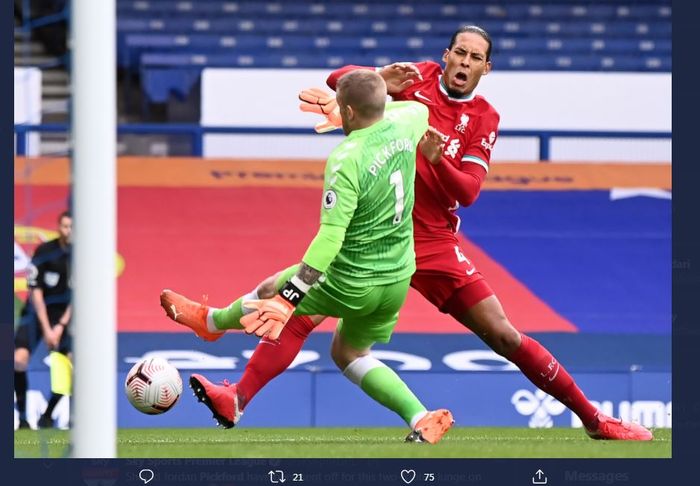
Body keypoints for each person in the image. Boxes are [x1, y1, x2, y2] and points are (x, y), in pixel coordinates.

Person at [168, 26, 653, 441]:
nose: (464, 62)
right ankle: (225, 361)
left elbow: (468, 192)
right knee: (300, 312)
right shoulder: (415, 80)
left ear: (487, 68)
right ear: (445, 56)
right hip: (377, 236)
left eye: (475, 58)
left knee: (502, 334)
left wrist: (439, 162)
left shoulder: (483, 117)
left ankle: (593, 419)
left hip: (434, 242)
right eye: (458, 52)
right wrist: (381, 75)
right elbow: (343, 82)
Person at [162, 70, 455, 444]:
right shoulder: (410, 119)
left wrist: (290, 297)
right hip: (397, 277)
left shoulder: (347, 158)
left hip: (351, 278)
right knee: (350, 352)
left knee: (273, 292)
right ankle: (420, 417)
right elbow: (408, 108)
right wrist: (367, 95)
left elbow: (330, 238)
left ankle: (212, 322)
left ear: (346, 110)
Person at [14, 210, 72, 429]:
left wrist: (60, 326)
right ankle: (22, 418)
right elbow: (35, 292)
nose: (68, 230)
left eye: (72, 226)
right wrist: (47, 328)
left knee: (69, 367)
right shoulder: (45, 251)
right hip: (36, 313)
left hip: (63, 317)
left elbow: (77, 297)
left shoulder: (81, 257)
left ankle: (47, 414)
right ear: (59, 227)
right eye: (65, 226)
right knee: (18, 359)